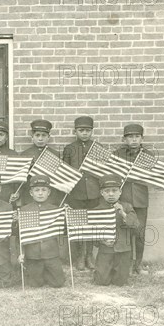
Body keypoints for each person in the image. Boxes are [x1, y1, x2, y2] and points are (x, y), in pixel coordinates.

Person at [113, 123, 152, 274]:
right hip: (124, 199)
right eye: (130, 137)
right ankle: (127, 264)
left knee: (139, 233)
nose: (134, 140)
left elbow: (152, 176)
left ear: (142, 138)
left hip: (141, 199)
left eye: (137, 136)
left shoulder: (148, 156)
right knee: (125, 232)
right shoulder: (118, 155)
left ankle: (138, 264)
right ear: (124, 139)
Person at [62, 116, 100, 271]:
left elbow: (102, 171)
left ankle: (89, 255)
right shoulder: (69, 148)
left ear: (92, 131)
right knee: (78, 225)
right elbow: (64, 172)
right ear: (75, 131)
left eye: (88, 130)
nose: (85, 133)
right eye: (81, 130)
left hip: (93, 192)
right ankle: (79, 256)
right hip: (76, 193)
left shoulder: (97, 147)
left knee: (91, 225)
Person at [18, 175, 66, 288]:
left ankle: (48, 272)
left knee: (58, 283)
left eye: (44, 190)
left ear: (49, 192)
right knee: (35, 284)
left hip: (51, 254)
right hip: (33, 254)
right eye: (37, 190)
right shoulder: (24, 210)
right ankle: (37, 273)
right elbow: (21, 235)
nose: (40, 193)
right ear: (31, 192)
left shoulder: (55, 210)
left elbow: (61, 234)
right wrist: (21, 252)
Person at [92, 174, 140, 286]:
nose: (111, 194)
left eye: (114, 190)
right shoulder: (97, 210)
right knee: (101, 282)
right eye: (107, 191)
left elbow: (136, 225)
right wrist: (101, 240)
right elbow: (93, 232)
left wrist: (123, 213)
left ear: (120, 192)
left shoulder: (127, 207)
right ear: (102, 193)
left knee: (120, 282)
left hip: (123, 250)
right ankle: (102, 271)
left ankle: (119, 272)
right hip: (106, 250)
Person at [19, 119, 63, 206]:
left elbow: (57, 177)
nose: (40, 138)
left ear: (48, 137)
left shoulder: (55, 154)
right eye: (37, 135)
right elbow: (21, 179)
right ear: (32, 136)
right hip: (30, 196)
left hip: (50, 196)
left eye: (44, 135)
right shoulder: (25, 154)